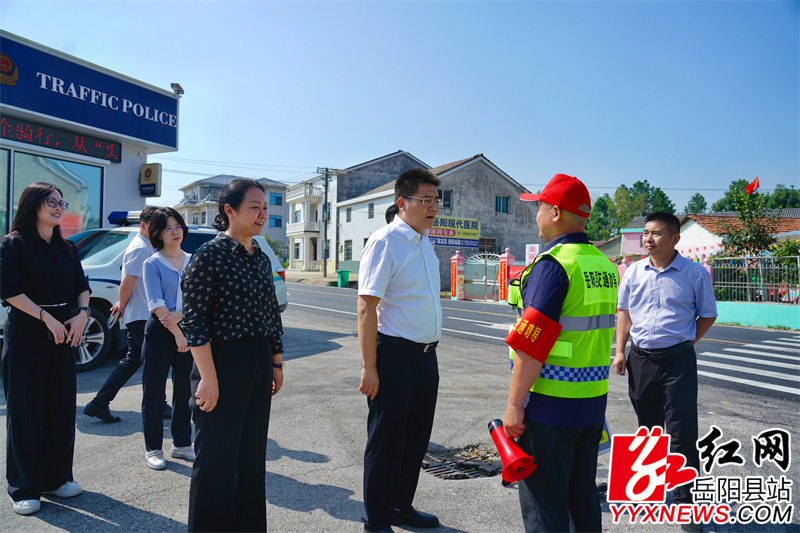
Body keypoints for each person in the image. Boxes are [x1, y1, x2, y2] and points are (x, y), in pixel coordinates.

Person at [503, 174, 618, 532]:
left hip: (550, 406)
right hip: (592, 402)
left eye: (539, 206)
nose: (536, 214)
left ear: (555, 213)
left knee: (545, 505)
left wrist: (514, 405)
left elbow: (531, 344)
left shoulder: (554, 265)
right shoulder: (602, 264)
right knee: (581, 496)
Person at [181, 178, 284, 532]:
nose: (262, 214)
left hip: (258, 361)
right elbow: (194, 322)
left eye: (265, 208)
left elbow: (271, 313)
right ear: (229, 210)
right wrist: (208, 377)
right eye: (254, 207)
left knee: (251, 458)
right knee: (216, 461)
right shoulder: (208, 256)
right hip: (220, 364)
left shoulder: (261, 257)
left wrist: (276, 361)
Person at [611, 212, 717, 532]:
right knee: (648, 428)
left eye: (656, 233)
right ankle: (648, 490)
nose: (648, 239)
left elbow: (707, 315)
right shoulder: (633, 272)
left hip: (678, 363)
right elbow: (624, 312)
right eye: (646, 233)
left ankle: (686, 505)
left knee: (682, 431)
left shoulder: (694, 274)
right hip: (640, 359)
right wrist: (620, 351)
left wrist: (686, 342)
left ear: (674, 238)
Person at [358, 168, 443, 533]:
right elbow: (366, 307)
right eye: (426, 200)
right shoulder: (385, 241)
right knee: (387, 441)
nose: (433, 207)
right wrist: (369, 366)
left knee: (415, 438)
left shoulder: (424, 241)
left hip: (426, 356)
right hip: (394, 355)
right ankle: (377, 520)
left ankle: (400, 506)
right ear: (402, 202)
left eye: (436, 201)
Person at [0, 182, 91, 515]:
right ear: (32, 203)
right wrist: (45, 317)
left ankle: (56, 478)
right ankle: (24, 487)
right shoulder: (12, 244)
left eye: (61, 203)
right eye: (51, 201)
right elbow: (9, 290)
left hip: (64, 334)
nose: (58, 208)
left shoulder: (67, 247)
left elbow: (82, 286)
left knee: (60, 408)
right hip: (27, 334)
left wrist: (82, 315)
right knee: (26, 410)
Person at [84, 206, 172, 423]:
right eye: (156, 225)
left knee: (137, 359)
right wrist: (122, 304)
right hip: (143, 315)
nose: (160, 230)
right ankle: (156, 405)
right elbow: (127, 281)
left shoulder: (146, 246)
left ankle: (99, 403)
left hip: (143, 313)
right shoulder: (140, 248)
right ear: (143, 225)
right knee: (153, 361)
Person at [141, 208, 195, 470]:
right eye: (168, 228)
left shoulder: (193, 261)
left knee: (185, 391)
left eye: (178, 226)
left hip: (188, 328)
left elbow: (201, 300)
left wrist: (182, 318)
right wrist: (178, 333)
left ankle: (181, 444)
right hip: (161, 333)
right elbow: (156, 304)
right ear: (158, 234)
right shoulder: (152, 263)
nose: (175, 232)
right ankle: (153, 448)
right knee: (154, 392)